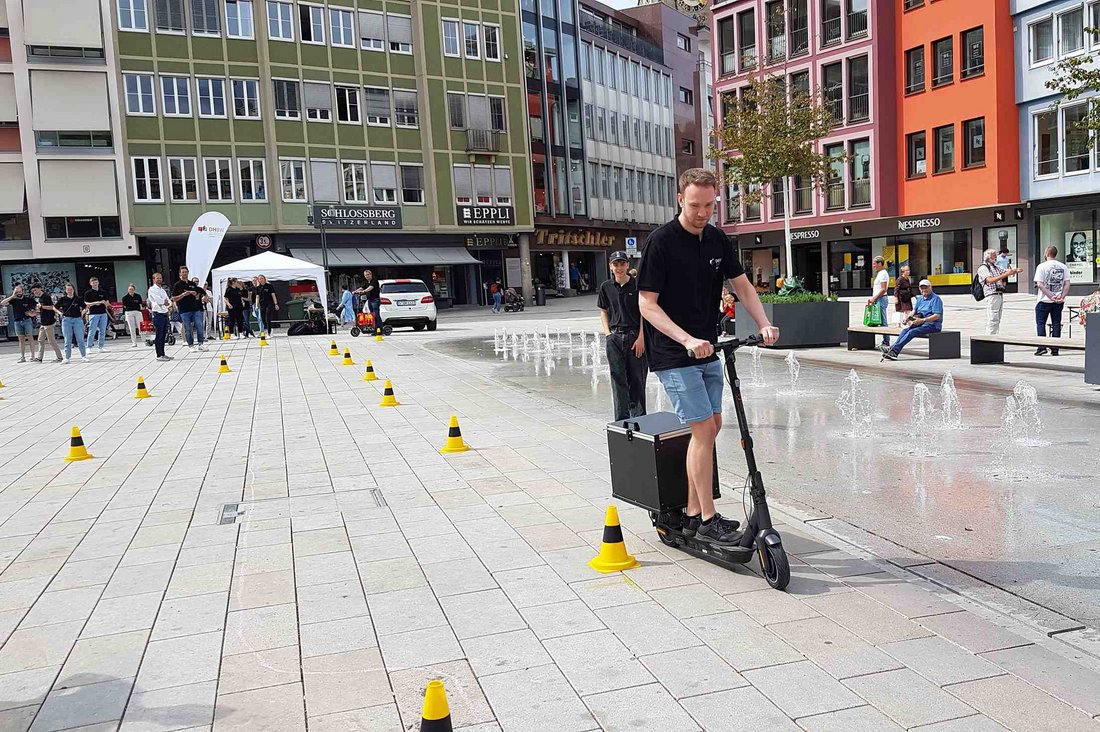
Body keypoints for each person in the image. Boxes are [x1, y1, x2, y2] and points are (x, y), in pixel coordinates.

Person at [637, 168, 779, 546]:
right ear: (680, 199)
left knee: (711, 426)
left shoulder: (717, 239)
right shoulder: (661, 242)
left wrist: (764, 322)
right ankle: (708, 517)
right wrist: (685, 339)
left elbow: (743, 286)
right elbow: (646, 304)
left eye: (710, 205)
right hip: (673, 350)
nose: (703, 212)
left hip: (708, 348)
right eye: (695, 205)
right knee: (702, 431)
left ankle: (692, 510)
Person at [599, 251, 647, 422]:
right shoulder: (606, 287)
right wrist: (608, 335)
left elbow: (645, 313)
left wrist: (642, 337)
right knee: (618, 380)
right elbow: (603, 311)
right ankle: (621, 421)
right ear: (610, 266)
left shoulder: (637, 285)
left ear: (628, 265)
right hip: (614, 338)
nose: (619, 267)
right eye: (615, 264)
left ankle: (640, 421)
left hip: (635, 337)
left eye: (622, 264)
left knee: (637, 380)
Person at [880, 280, 943, 360]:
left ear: (930, 287)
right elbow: (914, 311)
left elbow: (937, 315)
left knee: (912, 332)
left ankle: (894, 351)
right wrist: (907, 318)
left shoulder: (935, 299)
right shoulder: (920, 299)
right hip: (921, 323)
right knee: (905, 331)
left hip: (932, 325)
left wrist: (923, 320)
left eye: (926, 288)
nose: (924, 290)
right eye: (922, 288)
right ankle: (893, 349)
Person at [1034, 245, 1071, 356]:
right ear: (1056, 254)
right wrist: (1062, 297)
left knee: (1041, 323)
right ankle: (1055, 348)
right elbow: (1067, 284)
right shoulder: (1063, 267)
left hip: (1043, 300)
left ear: (1046, 253)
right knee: (1056, 323)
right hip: (1058, 301)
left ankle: (1042, 346)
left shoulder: (1041, 266)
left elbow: (1040, 284)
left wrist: (1050, 296)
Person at [977, 248, 1019, 336]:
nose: (995, 258)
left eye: (996, 256)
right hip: (991, 294)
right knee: (993, 318)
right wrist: (1005, 275)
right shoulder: (983, 268)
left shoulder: (995, 267)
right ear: (988, 257)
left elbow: (1006, 271)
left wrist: (1015, 270)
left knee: (997, 318)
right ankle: (989, 338)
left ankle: (994, 336)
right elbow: (989, 280)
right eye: (994, 256)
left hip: (999, 294)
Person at [171, 265, 207, 351]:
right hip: (184, 310)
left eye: (186, 272)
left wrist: (195, 293)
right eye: (183, 272)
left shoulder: (192, 284)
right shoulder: (177, 285)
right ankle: (190, 345)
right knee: (188, 328)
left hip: (195, 308)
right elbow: (174, 298)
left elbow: (198, 293)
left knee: (199, 325)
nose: (184, 274)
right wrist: (183, 294)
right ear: (180, 273)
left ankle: (200, 344)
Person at [1, 284, 38, 363]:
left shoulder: (28, 299)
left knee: (30, 337)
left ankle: (33, 356)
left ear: (22, 291)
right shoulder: (14, 300)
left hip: (27, 320)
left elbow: (37, 306)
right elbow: (2, 303)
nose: (18, 293)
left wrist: (34, 313)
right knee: (21, 339)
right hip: (17, 321)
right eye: (16, 292)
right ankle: (22, 357)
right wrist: (12, 296)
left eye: (19, 291)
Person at [56, 283, 89, 363]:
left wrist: (83, 312)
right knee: (67, 339)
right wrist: (60, 313)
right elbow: (55, 307)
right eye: (68, 290)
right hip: (66, 319)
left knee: (80, 339)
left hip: (77, 319)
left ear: (74, 290)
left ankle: (83, 356)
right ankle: (67, 357)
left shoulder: (78, 299)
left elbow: (86, 306)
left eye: (71, 289)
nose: (69, 291)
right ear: (66, 290)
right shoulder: (63, 299)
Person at [31, 284, 62, 363]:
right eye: (33, 291)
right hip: (43, 322)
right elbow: (41, 309)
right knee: (40, 340)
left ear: (39, 289)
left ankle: (59, 357)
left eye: (35, 290)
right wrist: (35, 312)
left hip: (49, 322)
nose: (34, 292)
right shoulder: (40, 298)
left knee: (51, 340)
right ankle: (39, 358)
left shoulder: (46, 297)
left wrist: (42, 307)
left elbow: (52, 307)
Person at [147, 272, 173, 361]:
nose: (159, 280)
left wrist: (168, 303)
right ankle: (159, 355)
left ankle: (163, 353)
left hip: (164, 313)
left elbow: (168, 299)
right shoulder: (152, 289)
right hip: (158, 314)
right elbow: (158, 300)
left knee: (163, 335)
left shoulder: (162, 290)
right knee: (159, 335)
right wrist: (164, 302)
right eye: (157, 278)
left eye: (160, 278)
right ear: (154, 279)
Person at [83, 276, 111, 353]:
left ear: (98, 282)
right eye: (93, 283)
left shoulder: (103, 292)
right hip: (93, 313)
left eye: (96, 282)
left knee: (102, 330)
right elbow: (86, 303)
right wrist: (96, 303)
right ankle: (89, 347)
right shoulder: (88, 293)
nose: (95, 284)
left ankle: (101, 346)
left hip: (103, 313)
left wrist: (104, 302)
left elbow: (107, 303)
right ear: (90, 284)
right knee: (92, 330)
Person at [867, 256, 890, 347]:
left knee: (883, 320)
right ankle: (884, 341)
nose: (873, 266)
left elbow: (883, 289)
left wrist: (874, 298)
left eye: (874, 264)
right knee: (879, 320)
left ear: (880, 264)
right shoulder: (880, 273)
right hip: (878, 299)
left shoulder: (883, 274)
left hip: (881, 299)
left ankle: (886, 341)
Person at [122, 284, 145, 348]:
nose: (131, 291)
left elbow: (140, 304)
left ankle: (144, 340)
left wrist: (141, 309)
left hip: (137, 312)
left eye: (132, 289)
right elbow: (124, 306)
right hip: (129, 312)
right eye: (129, 289)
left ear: (134, 290)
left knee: (141, 327)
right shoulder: (125, 298)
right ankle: (134, 342)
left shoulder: (138, 296)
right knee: (132, 328)